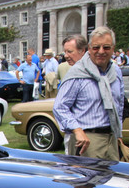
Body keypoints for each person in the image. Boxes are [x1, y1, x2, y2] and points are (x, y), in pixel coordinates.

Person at [53, 26, 124, 160]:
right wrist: (77, 130)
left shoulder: (116, 72)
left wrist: (118, 134)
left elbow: (118, 105)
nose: (101, 52)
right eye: (96, 47)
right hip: (87, 140)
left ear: (113, 48)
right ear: (89, 48)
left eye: (106, 47)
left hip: (111, 139)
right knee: (86, 181)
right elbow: (60, 107)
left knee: (111, 180)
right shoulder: (77, 73)